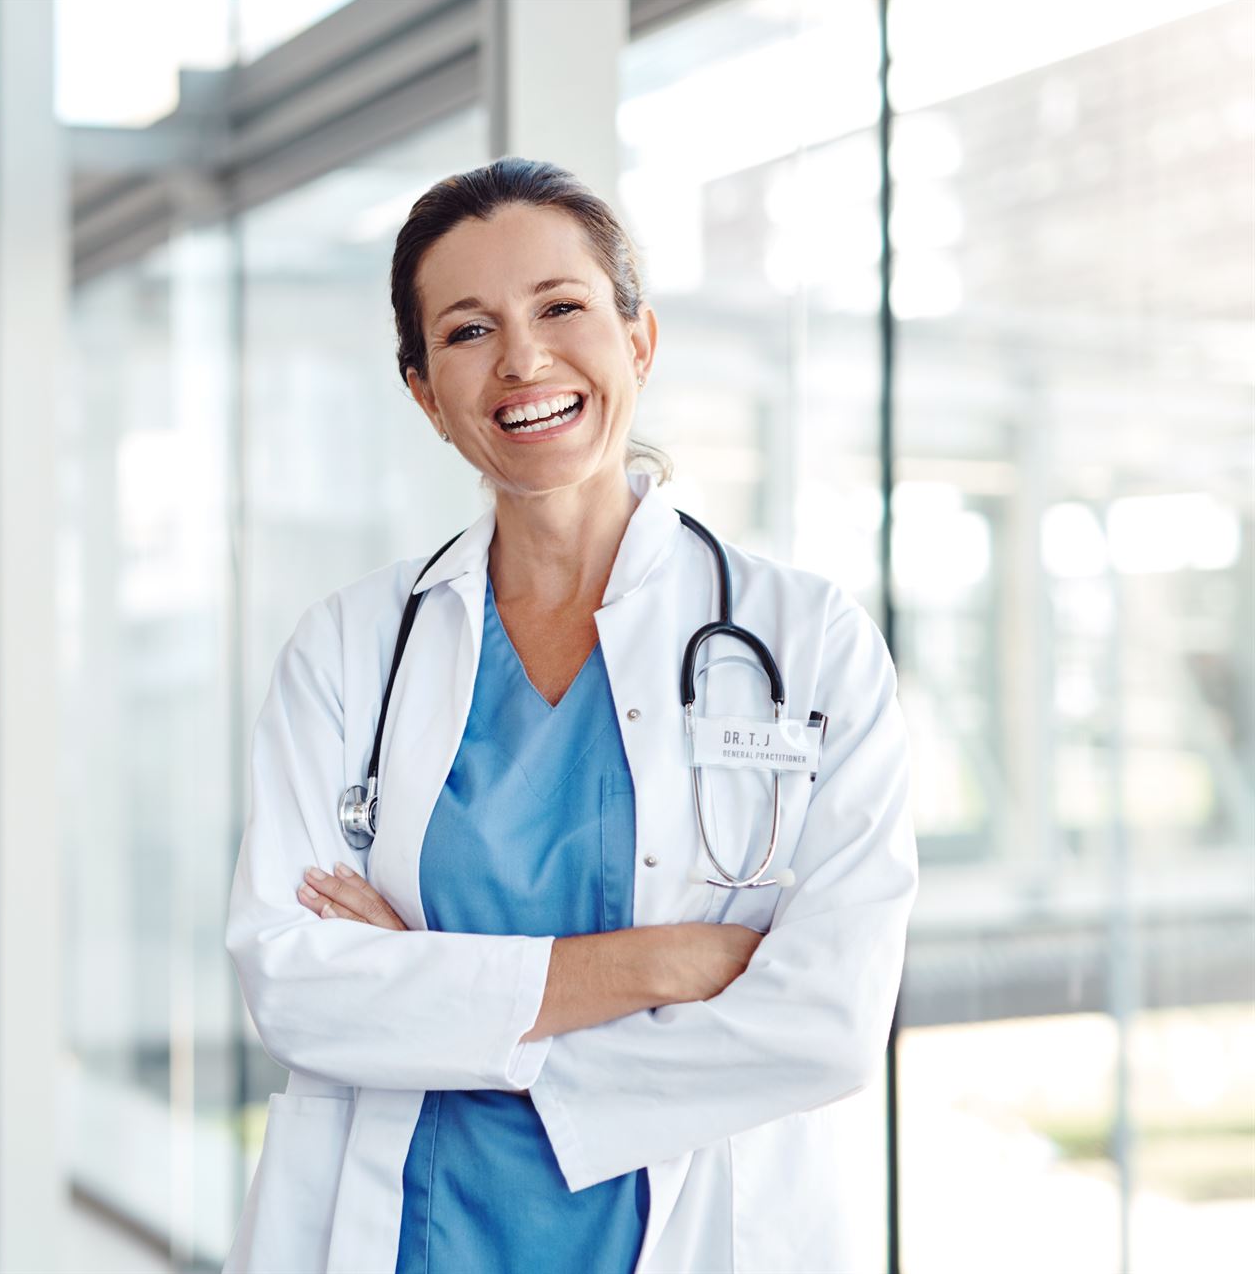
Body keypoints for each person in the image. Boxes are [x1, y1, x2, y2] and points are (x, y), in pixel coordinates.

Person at [223, 157, 917, 1274]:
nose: (522, 359)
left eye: (560, 307)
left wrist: (441, 998)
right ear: (422, 391)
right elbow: (293, 986)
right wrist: (653, 964)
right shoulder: (348, 649)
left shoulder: (807, 639)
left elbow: (825, 1020)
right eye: (466, 330)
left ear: (636, 341)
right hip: (404, 1232)